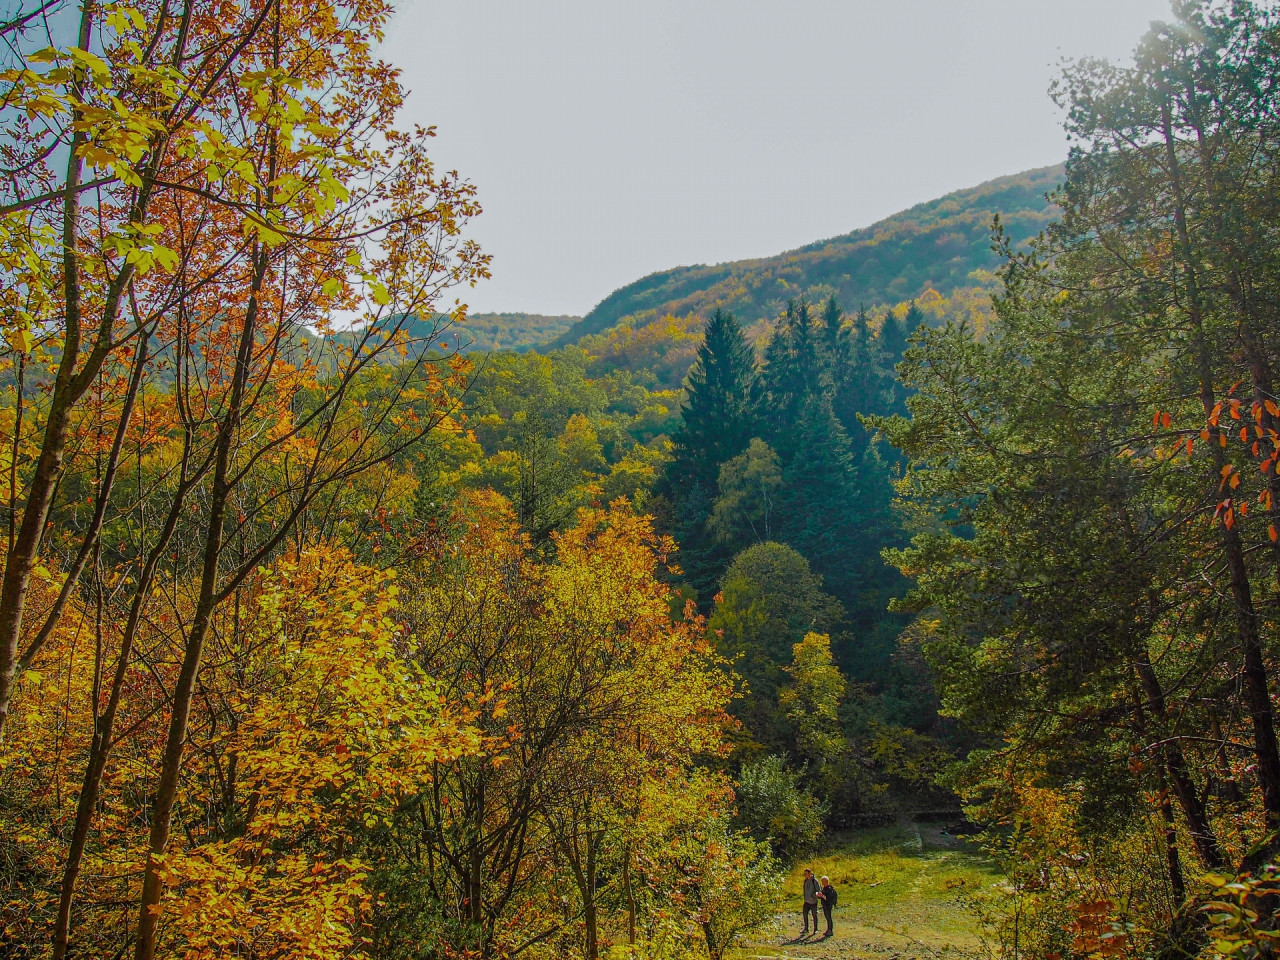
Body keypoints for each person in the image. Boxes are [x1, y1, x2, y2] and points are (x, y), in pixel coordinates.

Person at [801, 868, 820, 936]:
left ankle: (816, 929)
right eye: (804, 874)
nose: (805, 875)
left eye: (806, 873)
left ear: (809, 873)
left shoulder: (814, 881)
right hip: (806, 901)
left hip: (813, 902)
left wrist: (813, 895)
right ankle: (806, 928)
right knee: (805, 914)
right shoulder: (805, 880)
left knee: (814, 915)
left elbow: (819, 891)